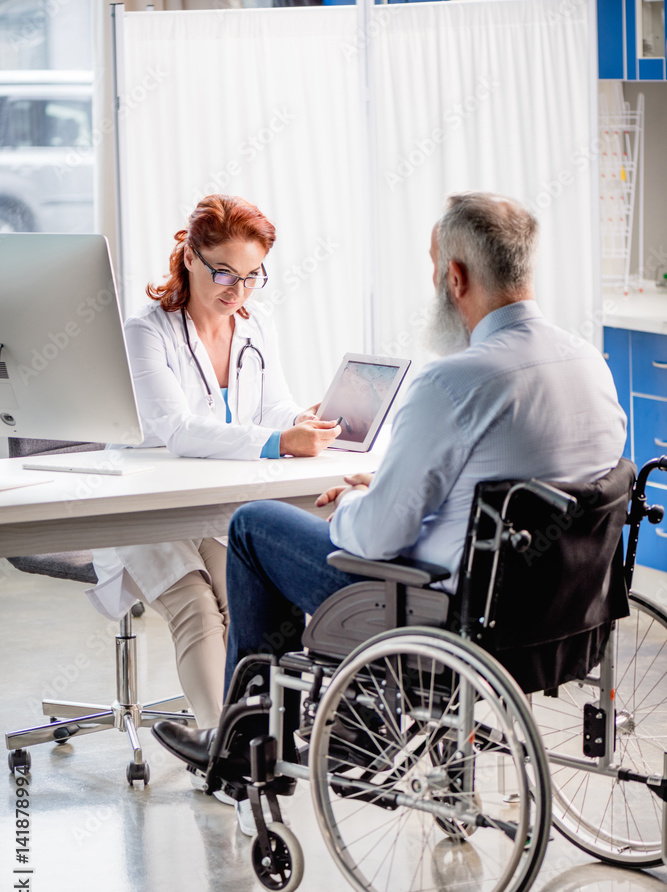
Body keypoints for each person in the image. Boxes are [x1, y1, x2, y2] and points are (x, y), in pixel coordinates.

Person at [153, 191, 627, 824]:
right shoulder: (589, 363)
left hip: (445, 612)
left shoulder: (455, 383)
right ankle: (343, 716)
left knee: (253, 526)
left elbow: (378, 537)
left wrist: (354, 499)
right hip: (568, 611)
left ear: (455, 277)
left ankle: (244, 749)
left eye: (435, 269)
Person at [87, 195, 341, 731]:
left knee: (249, 602)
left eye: (252, 276)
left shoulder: (253, 325)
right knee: (197, 611)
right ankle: (220, 746)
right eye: (225, 273)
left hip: (213, 501)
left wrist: (301, 418)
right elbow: (177, 430)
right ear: (189, 256)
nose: (238, 291)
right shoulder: (146, 331)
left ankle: (264, 736)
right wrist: (279, 442)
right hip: (144, 501)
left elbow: (273, 405)